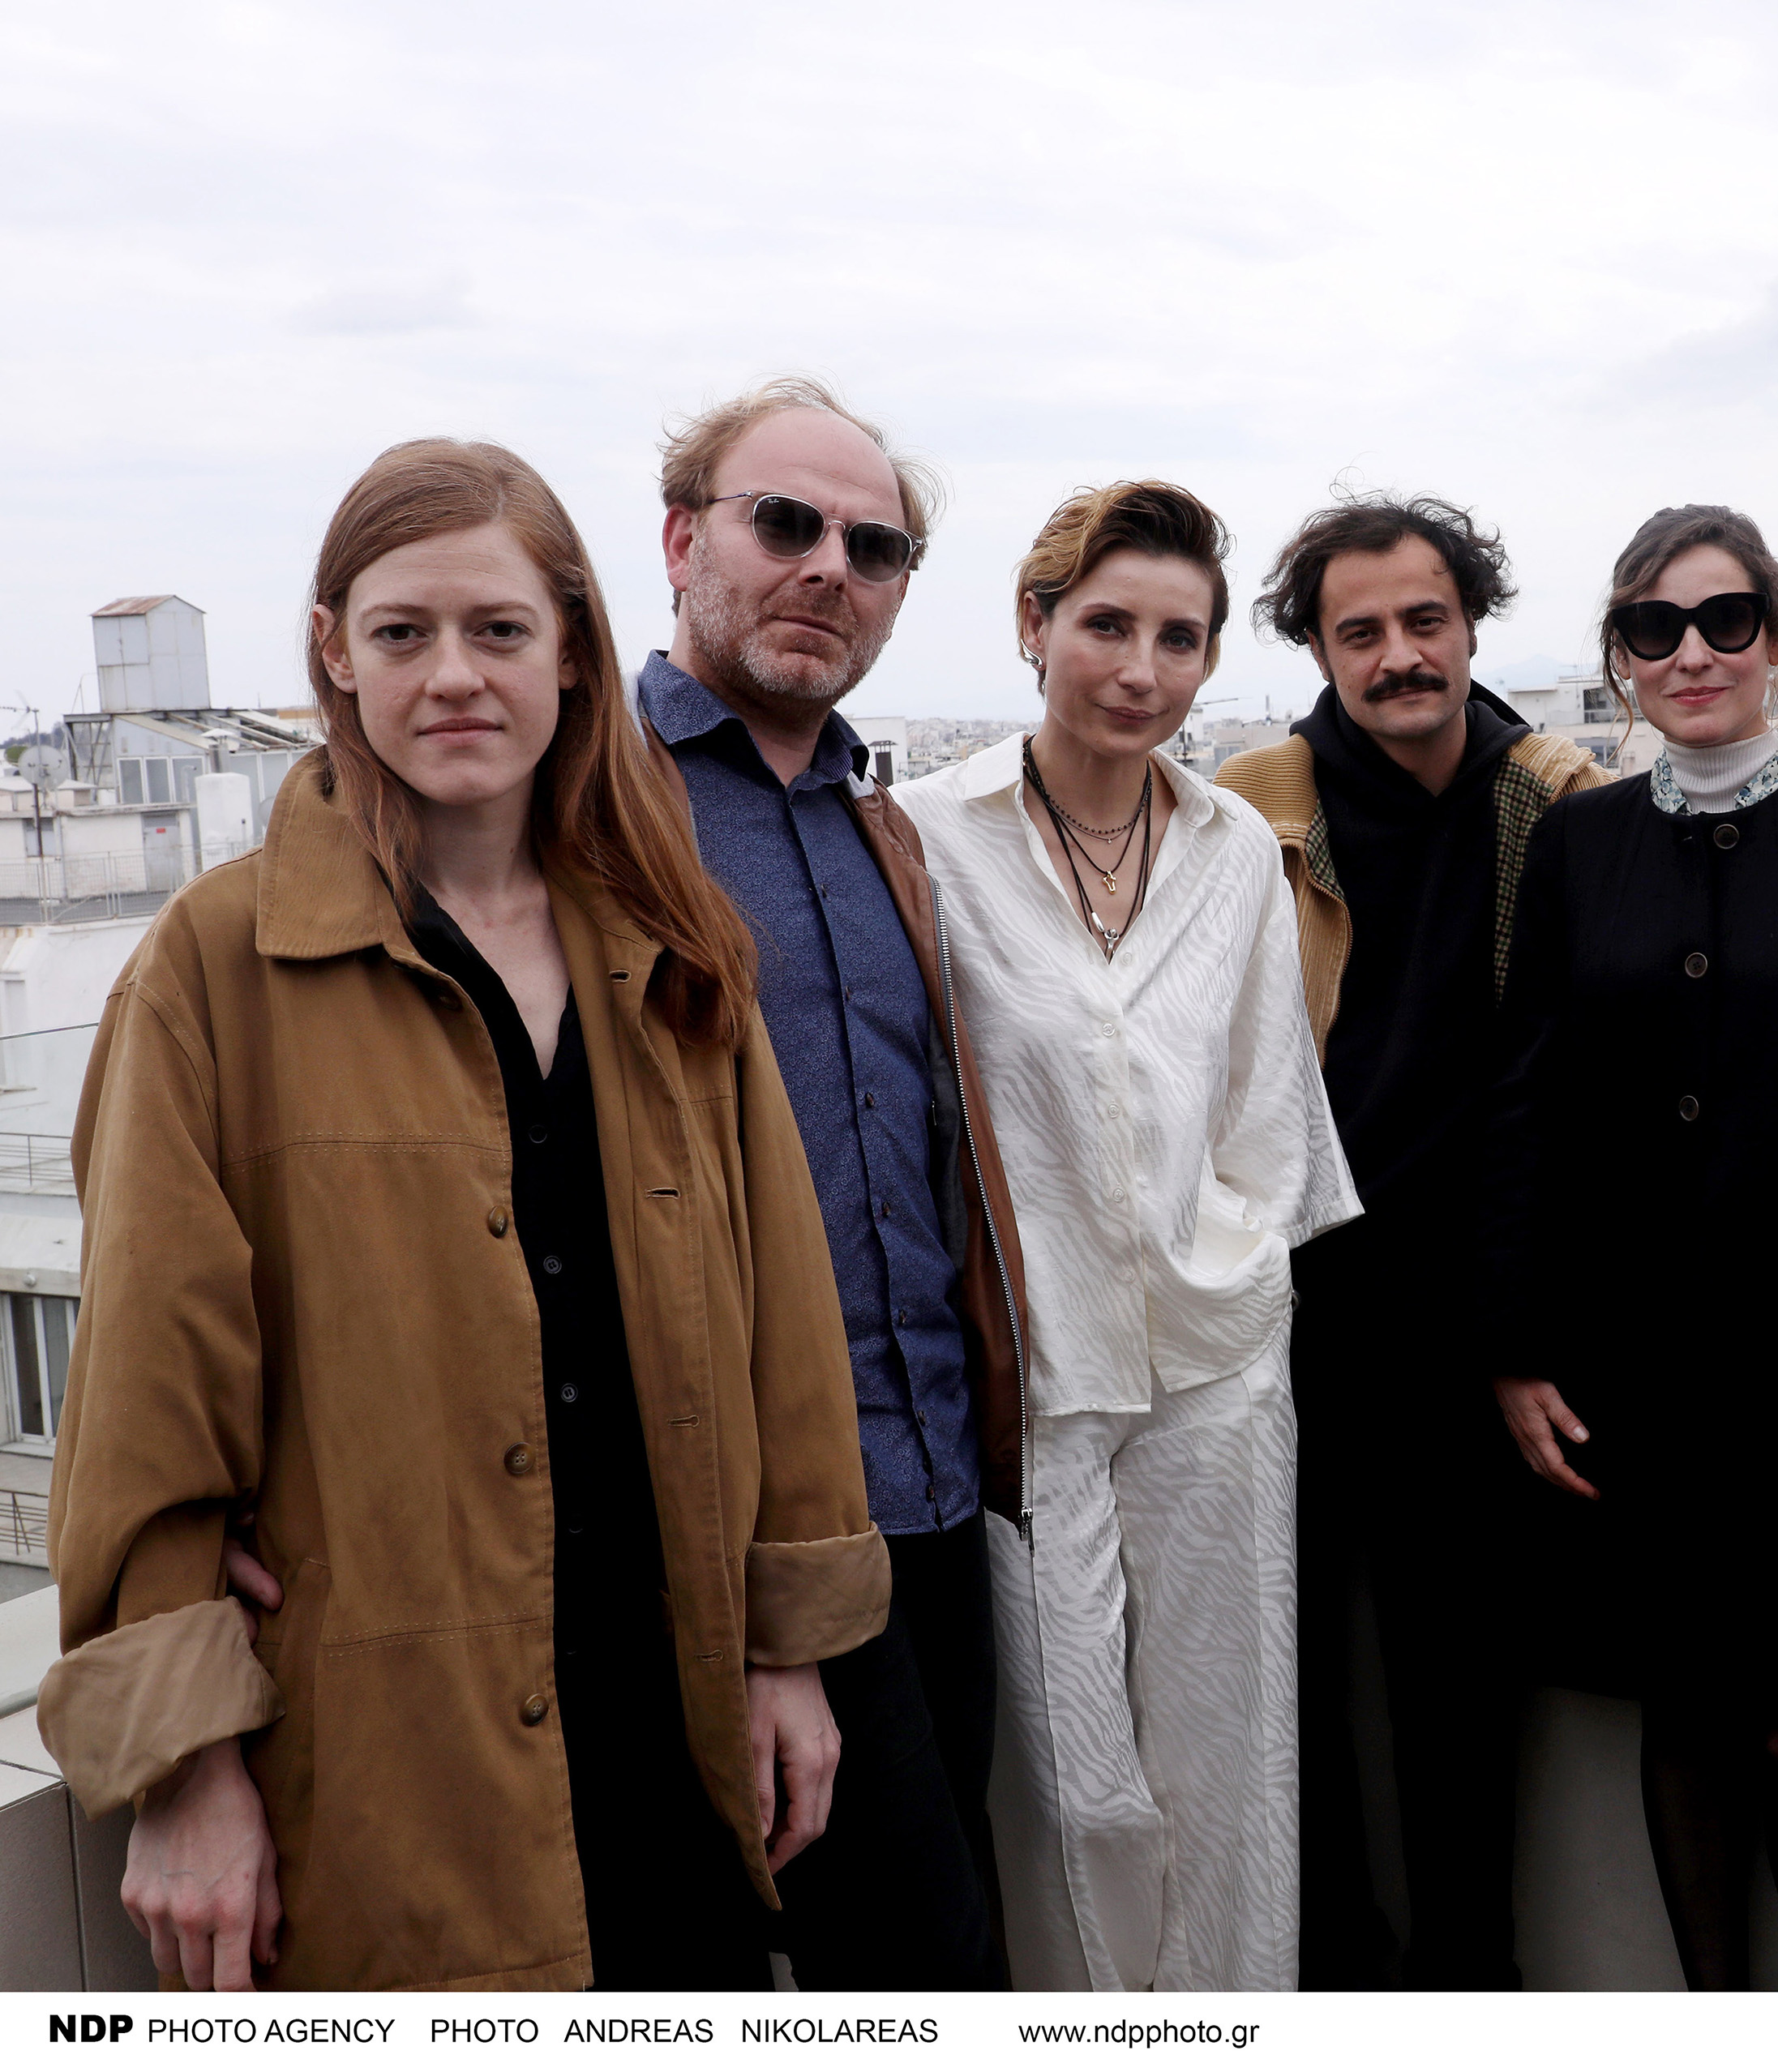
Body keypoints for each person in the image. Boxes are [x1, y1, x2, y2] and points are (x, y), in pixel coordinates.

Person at [37, 439, 885, 1991]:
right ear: (332, 655)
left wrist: (790, 1648)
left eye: (498, 630)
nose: (452, 677)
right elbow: (146, 1403)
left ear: (570, 649)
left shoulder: (674, 944)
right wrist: (184, 1764)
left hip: (673, 1723)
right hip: (395, 1750)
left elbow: (785, 1332)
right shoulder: (213, 971)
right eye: (400, 632)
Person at [1479, 506, 1778, 1989]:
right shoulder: (1578, 843)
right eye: (1654, 627)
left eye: (1724, 620)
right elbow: (1526, 1098)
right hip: (1644, 1367)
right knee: (1687, 1710)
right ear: (1622, 657)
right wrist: (1520, 1339)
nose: (1690, 652)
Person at [893, 481, 1356, 1993]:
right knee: (1075, 1790)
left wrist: (1235, 1273)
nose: (1140, 670)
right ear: (1034, 626)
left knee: (1234, 1770)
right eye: (1106, 626)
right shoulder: (925, 838)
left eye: (1178, 638)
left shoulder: (1232, 849)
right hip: (1032, 1379)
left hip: (1219, 1368)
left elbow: (1270, 1105)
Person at [641, 377, 1030, 1989]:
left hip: (934, 1506)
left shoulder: (886, 831)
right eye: (783, 523)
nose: (827, 569)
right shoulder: (591, 811)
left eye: (873, 548)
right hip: (737, 1536)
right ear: (682, 540)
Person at [1219, 495, 1604, 1987]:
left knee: (1461, 1705)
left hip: (1471, 1330)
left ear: (1471, 624)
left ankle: (1465, 1996)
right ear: (1318, 649)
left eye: (1423, 620)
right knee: (1283, 1700)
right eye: (1360, 630)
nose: (1397, 656)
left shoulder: (1552, 805)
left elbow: (1564, 1090)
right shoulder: (1253, 813)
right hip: (1287, 1327)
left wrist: (1520, 1328)